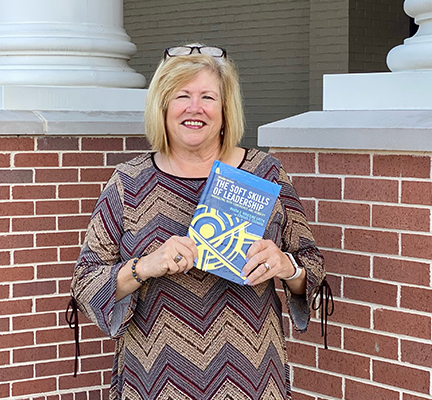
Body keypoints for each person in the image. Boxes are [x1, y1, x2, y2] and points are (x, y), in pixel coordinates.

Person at [70, 44, 329, 400]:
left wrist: (286, 266)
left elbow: (311, 266)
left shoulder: (266, 174)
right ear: (162, 107)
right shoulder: (128, 181)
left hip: (251, 377)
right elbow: (85, 281)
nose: (195, 108)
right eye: (182, 96)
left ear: (225, 109)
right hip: (154, 379)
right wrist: (144, 266)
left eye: (208, 96)